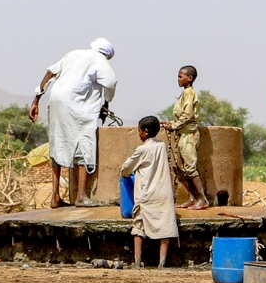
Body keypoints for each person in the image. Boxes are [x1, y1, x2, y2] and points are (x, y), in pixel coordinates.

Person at [29, 38, 118, 208]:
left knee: (57, 143)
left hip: (55, 99)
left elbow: (50, 73)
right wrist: (107, 100)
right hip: (75, 104)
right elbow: (111, 82)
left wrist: (36, 100)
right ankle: (81, 196)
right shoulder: (99, 59)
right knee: (84, 143)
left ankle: (55, 197)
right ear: (107, 55)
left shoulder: (73, 54)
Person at [121, 115, 178, 269]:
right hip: (163, 194)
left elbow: (126, 168)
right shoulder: (161, 146)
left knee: (139, 226)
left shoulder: (142, 149)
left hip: (146, 195)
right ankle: (161, 263)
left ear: (145, 132)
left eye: (139, 131)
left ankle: (138, 262)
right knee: (165, 228)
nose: (138, 134)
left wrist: (125, 174)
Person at [161, 65, 209, 210]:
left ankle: (202, 199)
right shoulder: (185, 94)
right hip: (183, 135)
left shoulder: (189, 94)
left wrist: (173, 126)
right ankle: (192, 198)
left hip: (189, 135)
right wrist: (170, 123)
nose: (178, 79)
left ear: (190, 78)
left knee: (190, 168)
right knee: (185, 169)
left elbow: (187, 115)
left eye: (180, 76)